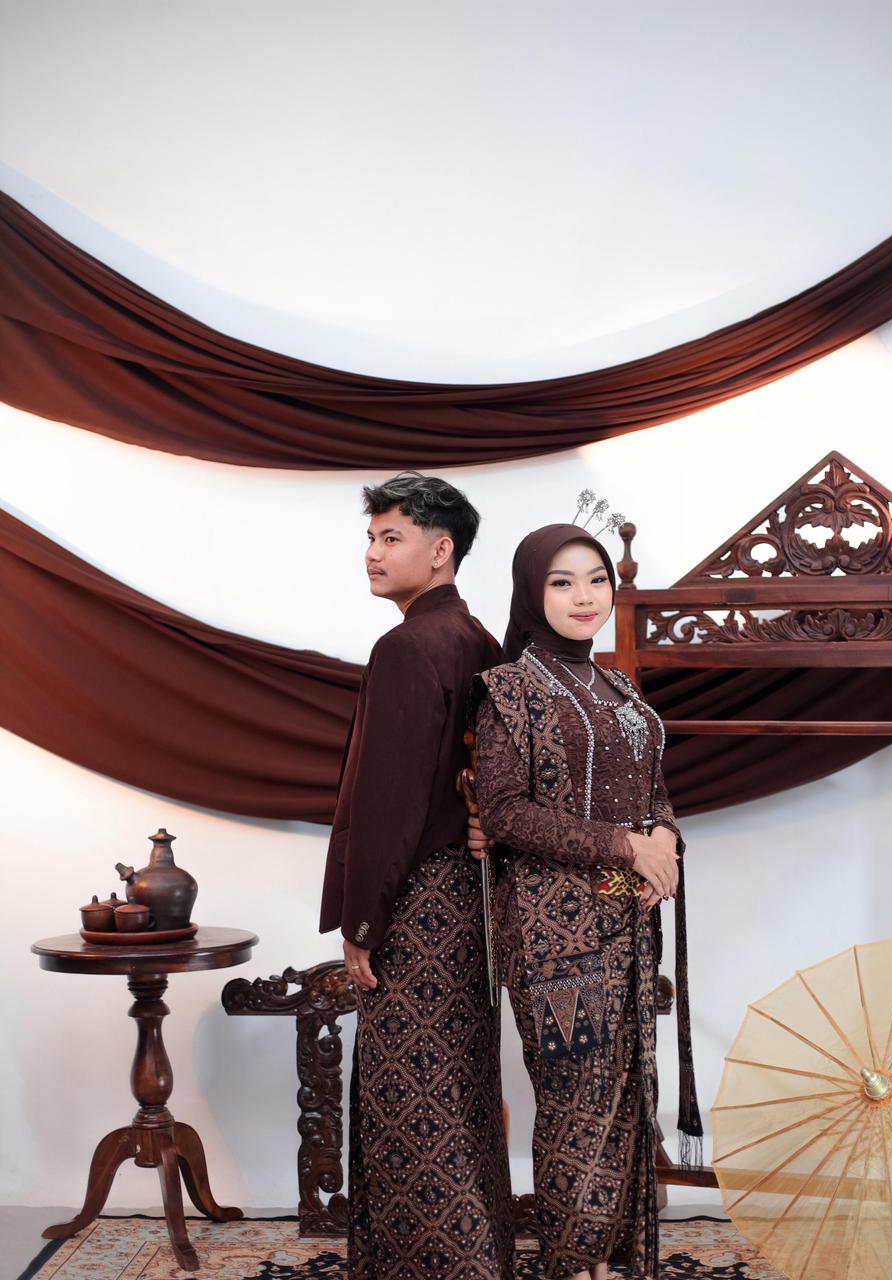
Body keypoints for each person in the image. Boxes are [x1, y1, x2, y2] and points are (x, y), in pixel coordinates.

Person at [469, 523, 702, 1280]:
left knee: (627, 1096)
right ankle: (572, 1266)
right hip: (552, 936)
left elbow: (654, 792)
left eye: (597, 579)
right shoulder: (509, 690)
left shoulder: (620, 689)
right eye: (563, 581)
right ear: (531, 591)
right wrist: (628, 847)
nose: (584, 596)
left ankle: (609, 1260)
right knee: (575, 1099)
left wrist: (663, 839)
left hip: (627, 925)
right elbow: (506, 813)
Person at [319, 472, 514, 1280]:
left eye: (390, 537)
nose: (372, 553)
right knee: (459, 1089)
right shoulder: (477, 640)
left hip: (416, 904)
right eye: (370, 537)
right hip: (467, 903)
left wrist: (363, 923)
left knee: (409, 1100)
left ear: (441, 551)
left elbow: (390, 802)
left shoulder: (407, 647)